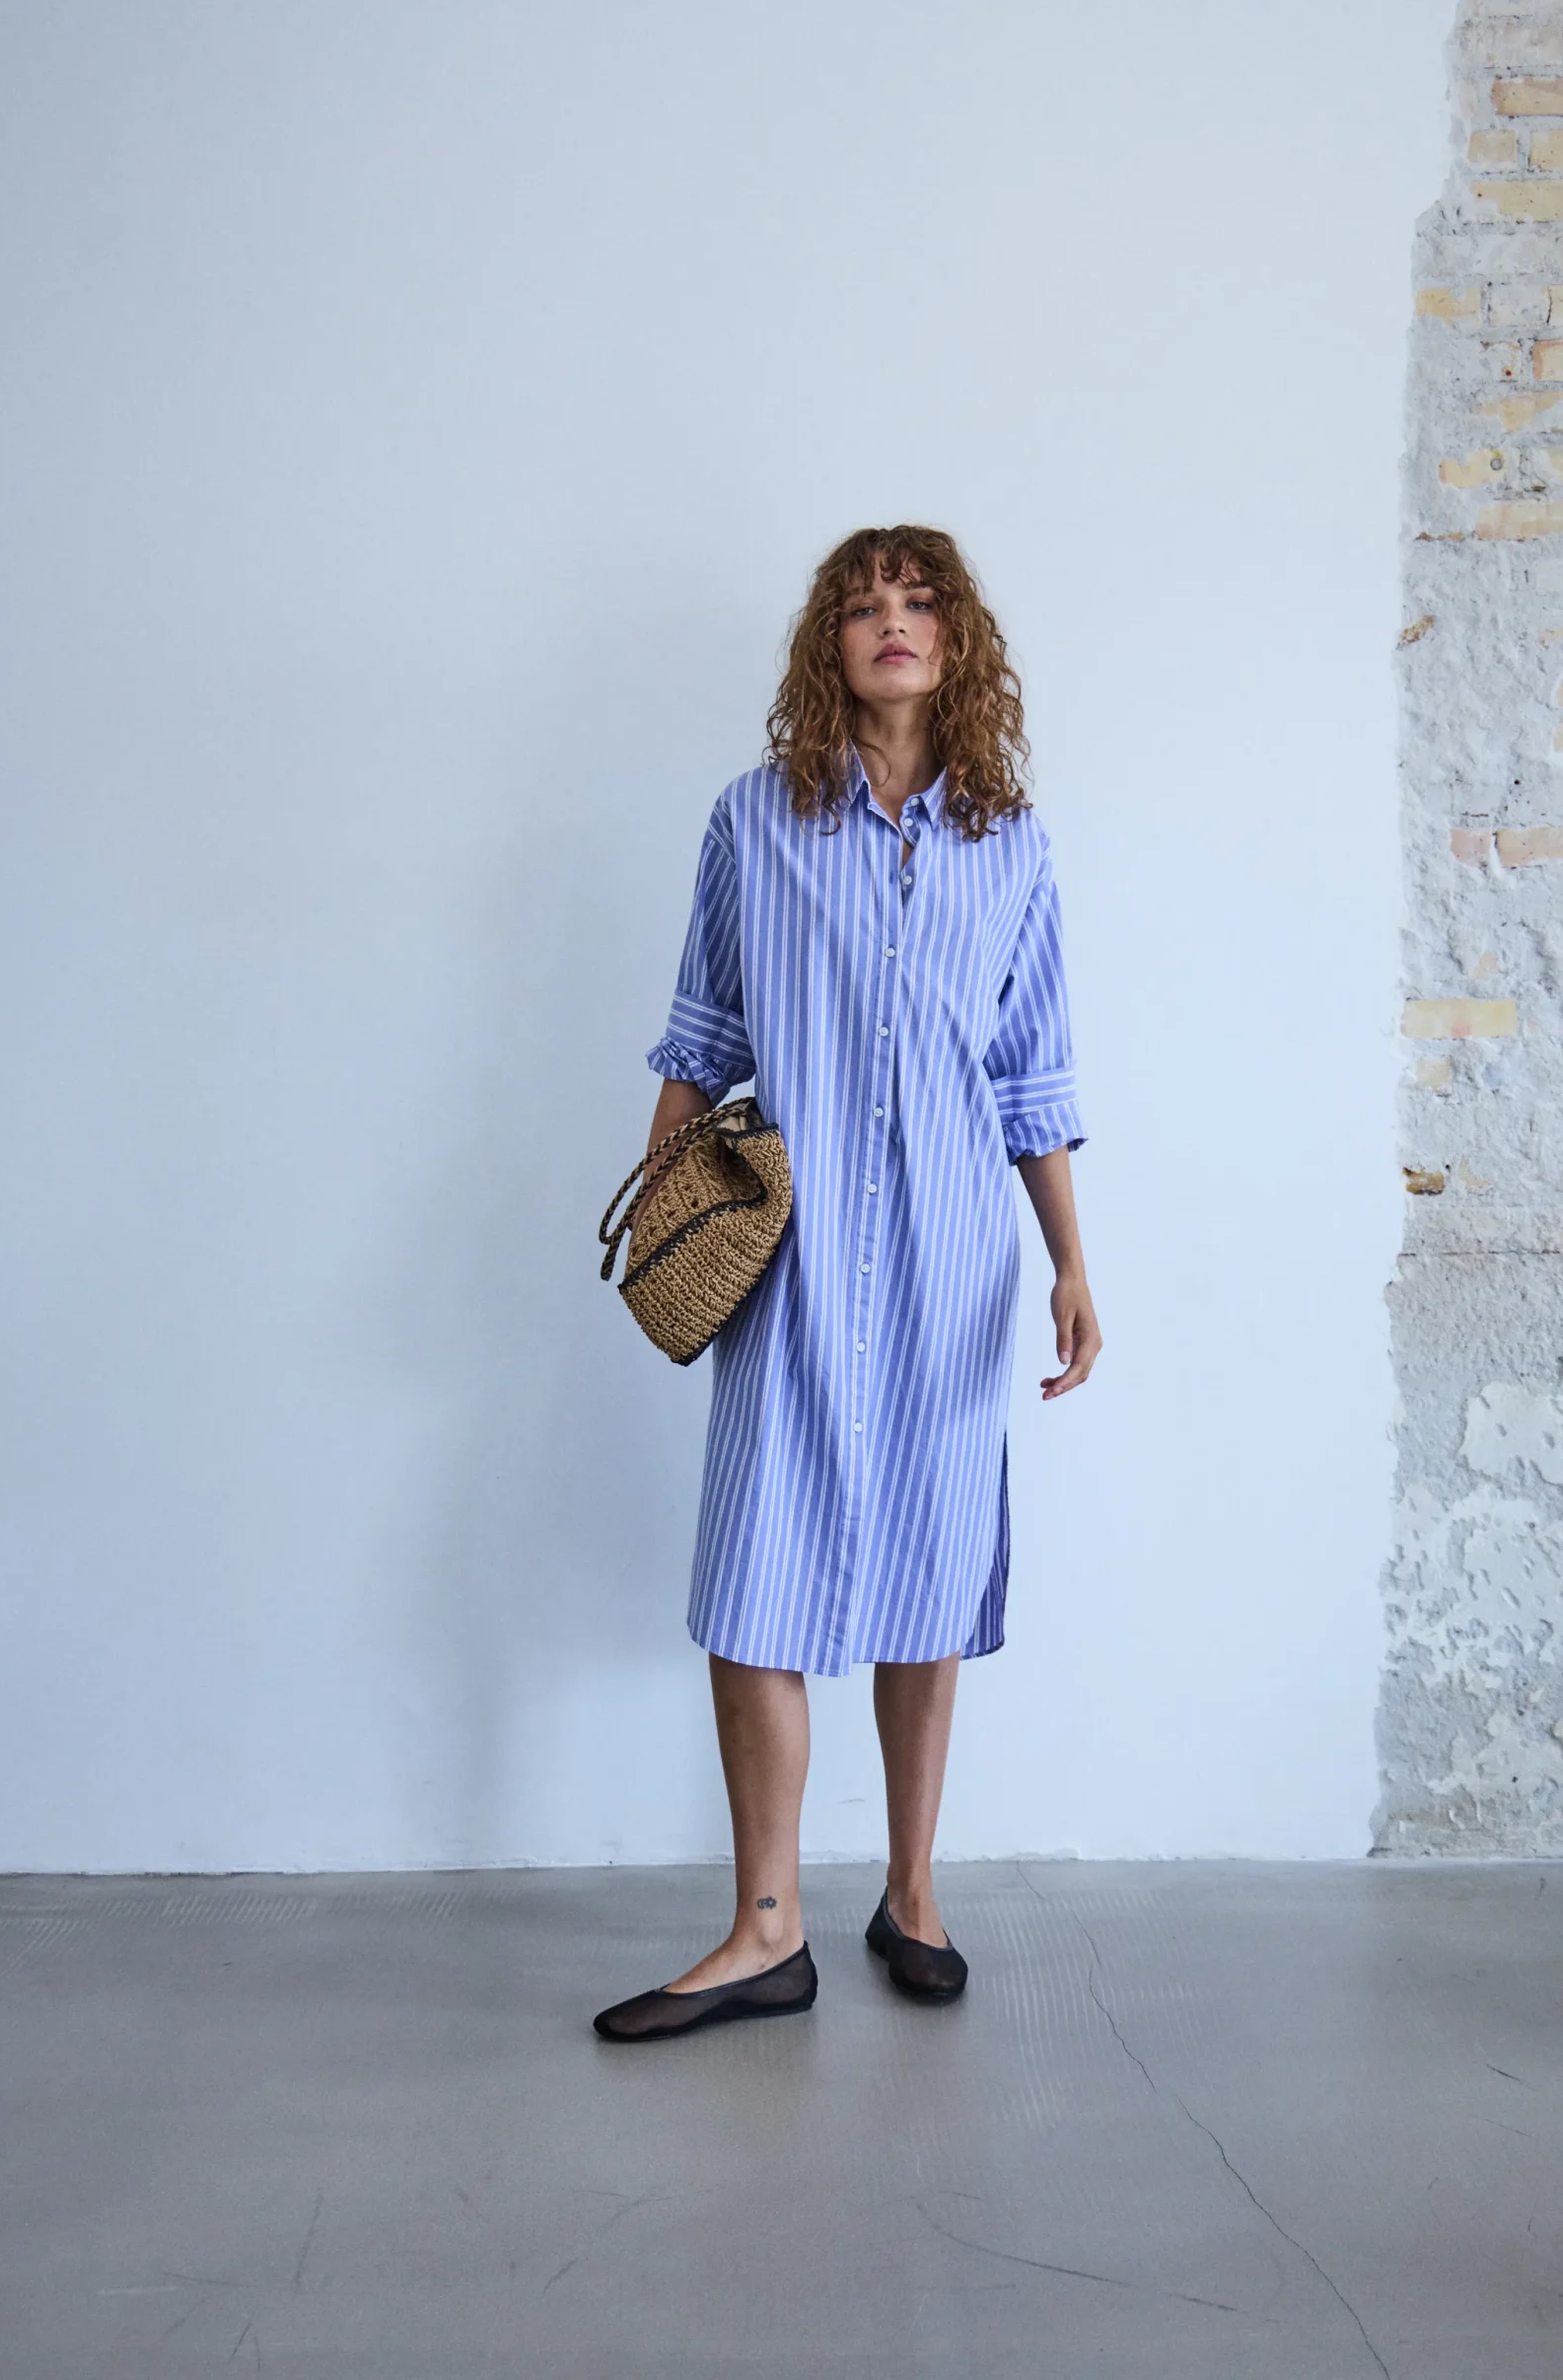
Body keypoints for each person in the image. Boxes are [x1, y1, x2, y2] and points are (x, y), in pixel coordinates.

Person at [593, 525, 1100, 2044]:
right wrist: (661, 1220)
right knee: (758, 1583)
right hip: (790, 1263)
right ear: (830, 643)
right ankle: (765, 1932)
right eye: (863, 604)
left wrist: (1072, 1262)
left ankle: (911, 1894)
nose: (891, 622)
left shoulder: (1011, 845)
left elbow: (1030, 1076)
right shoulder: (753, 822)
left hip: (951, 1260)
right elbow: (701, 1037)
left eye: (917, 601)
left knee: (927, 1583)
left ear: (955, 641)